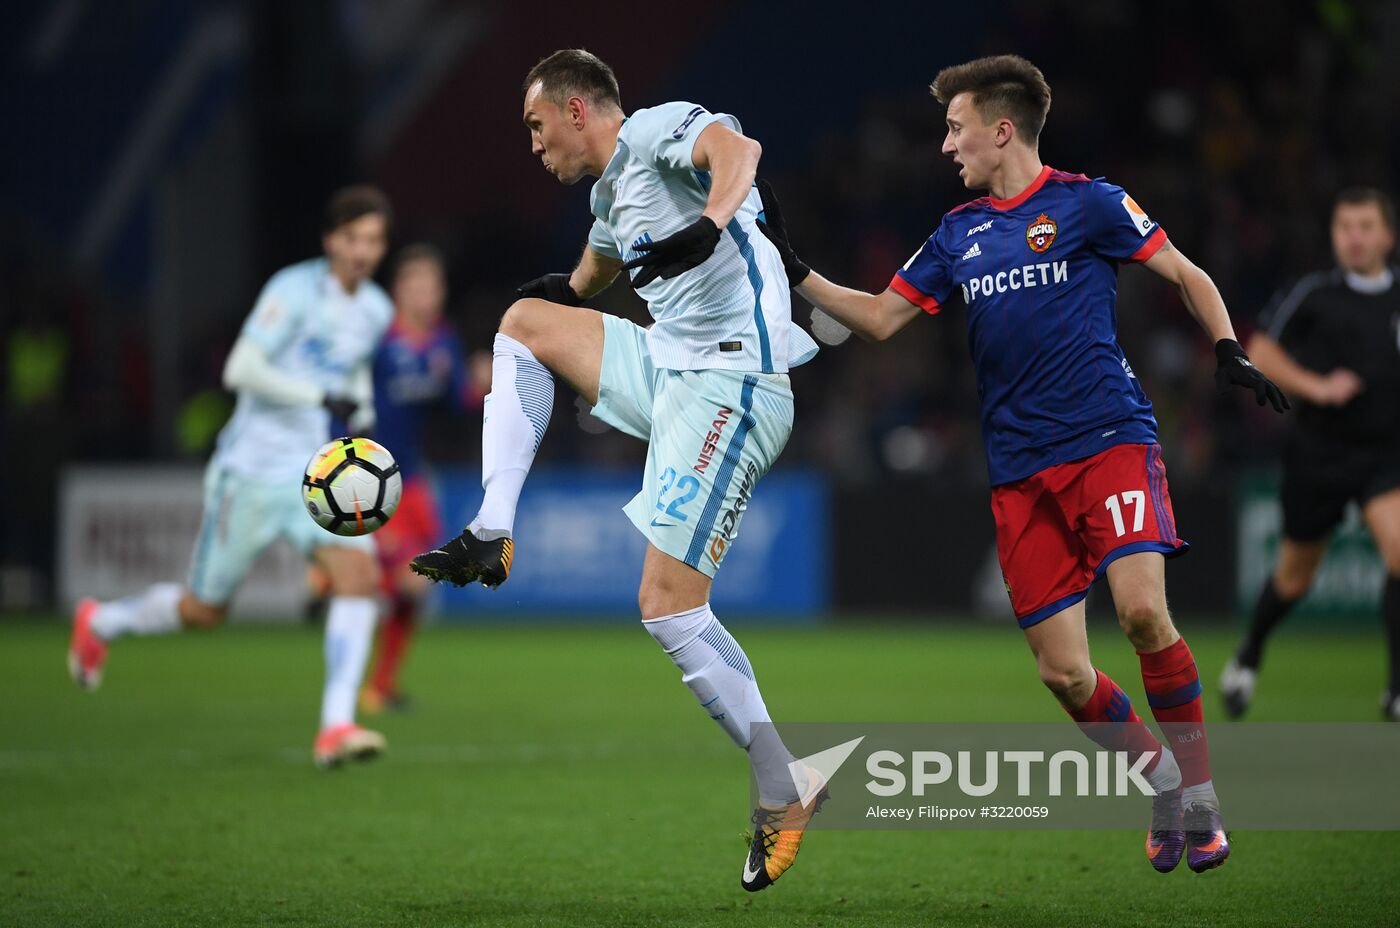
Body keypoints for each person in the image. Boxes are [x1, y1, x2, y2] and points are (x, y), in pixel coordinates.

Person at [756, 54, 1287, 874]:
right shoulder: (956, 233)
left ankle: (1203, 800)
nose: (945, 146)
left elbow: (1186, 272)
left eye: (955, 128)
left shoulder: (1088, 203)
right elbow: (881, 318)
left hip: (1108, 441)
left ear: (1001, 130)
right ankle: (1161, 781)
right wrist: (795, 269)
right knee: (1064, 672)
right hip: (1019, 473)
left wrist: (1227, 347)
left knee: (1144, 614)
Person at [408, 49, 823, 892]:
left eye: (536, 126)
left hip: (734, 382)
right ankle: (491, 528)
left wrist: (709, 222)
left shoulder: (659, 130)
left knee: (668, 607)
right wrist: (563, 288)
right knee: (525, 322)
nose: (533, 145)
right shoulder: (607, 196)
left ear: (577, 110)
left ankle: (786, 785)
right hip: (671, 367)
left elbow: (739, 153)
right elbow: (595, 272)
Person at [67, 186, 396, 771]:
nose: (361, 251)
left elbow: (355, 372)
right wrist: (320, 397)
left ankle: (336, 726)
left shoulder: (374, 308)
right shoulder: (293, 291)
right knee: (204, 611)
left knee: (359, 577)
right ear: (330, 241)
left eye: (372, 241)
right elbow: (240, 370)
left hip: (316, 475)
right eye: (352, 238)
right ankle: (103, 620)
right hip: (249, 472)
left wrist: (362, 416)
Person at [1219, 188, 1400, 720]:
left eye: (1365, 226)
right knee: (1294, 578)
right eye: (1345, 227)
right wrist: (1317, 387)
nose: (1354, 237)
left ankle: (1395, 691)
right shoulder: (1313, 294)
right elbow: (1262, 350)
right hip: (1319, 456)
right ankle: (1249, 653)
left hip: (1385, 457)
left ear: (1388, 236)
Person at [360, 243, 483, 713]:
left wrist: (478, 387)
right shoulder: (376, 338)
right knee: (403, 578)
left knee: (419, 580)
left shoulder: (442, 342)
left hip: (410, 477)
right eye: (416, 285)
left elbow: (455, 405)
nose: (425, 294)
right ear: (398, 290)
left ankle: (381, 686)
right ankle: (330, 582)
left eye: (433, 286)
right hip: (365, 475)